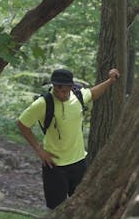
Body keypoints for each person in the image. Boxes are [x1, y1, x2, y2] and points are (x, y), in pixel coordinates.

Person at [17, 66, 120, 209]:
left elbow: (93, 93)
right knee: (55, 208)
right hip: (54, 165)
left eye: (64, 90)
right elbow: (22, 124)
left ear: (71, 86)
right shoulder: (43, 103)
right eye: (57, 89)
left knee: (81, 204)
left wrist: (110, 81)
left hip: (79, 162)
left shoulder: (78, 96)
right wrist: (39, 150)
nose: (60, 93)